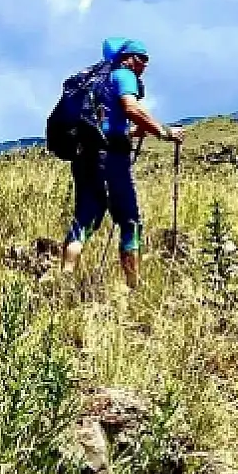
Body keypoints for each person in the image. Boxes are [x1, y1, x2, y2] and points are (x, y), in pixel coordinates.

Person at [61, 39, 184, 290]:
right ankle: (133, 286)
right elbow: (131, 108)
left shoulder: (96, 83)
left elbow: (115, 125)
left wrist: (139, 130)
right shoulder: (124, 76)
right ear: (127, 58)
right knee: (130, 222)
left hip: (85, 155)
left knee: (85, 219)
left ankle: (65, 274)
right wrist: (165, 132)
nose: (145, 65)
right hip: (112, 159)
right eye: (142, 59)